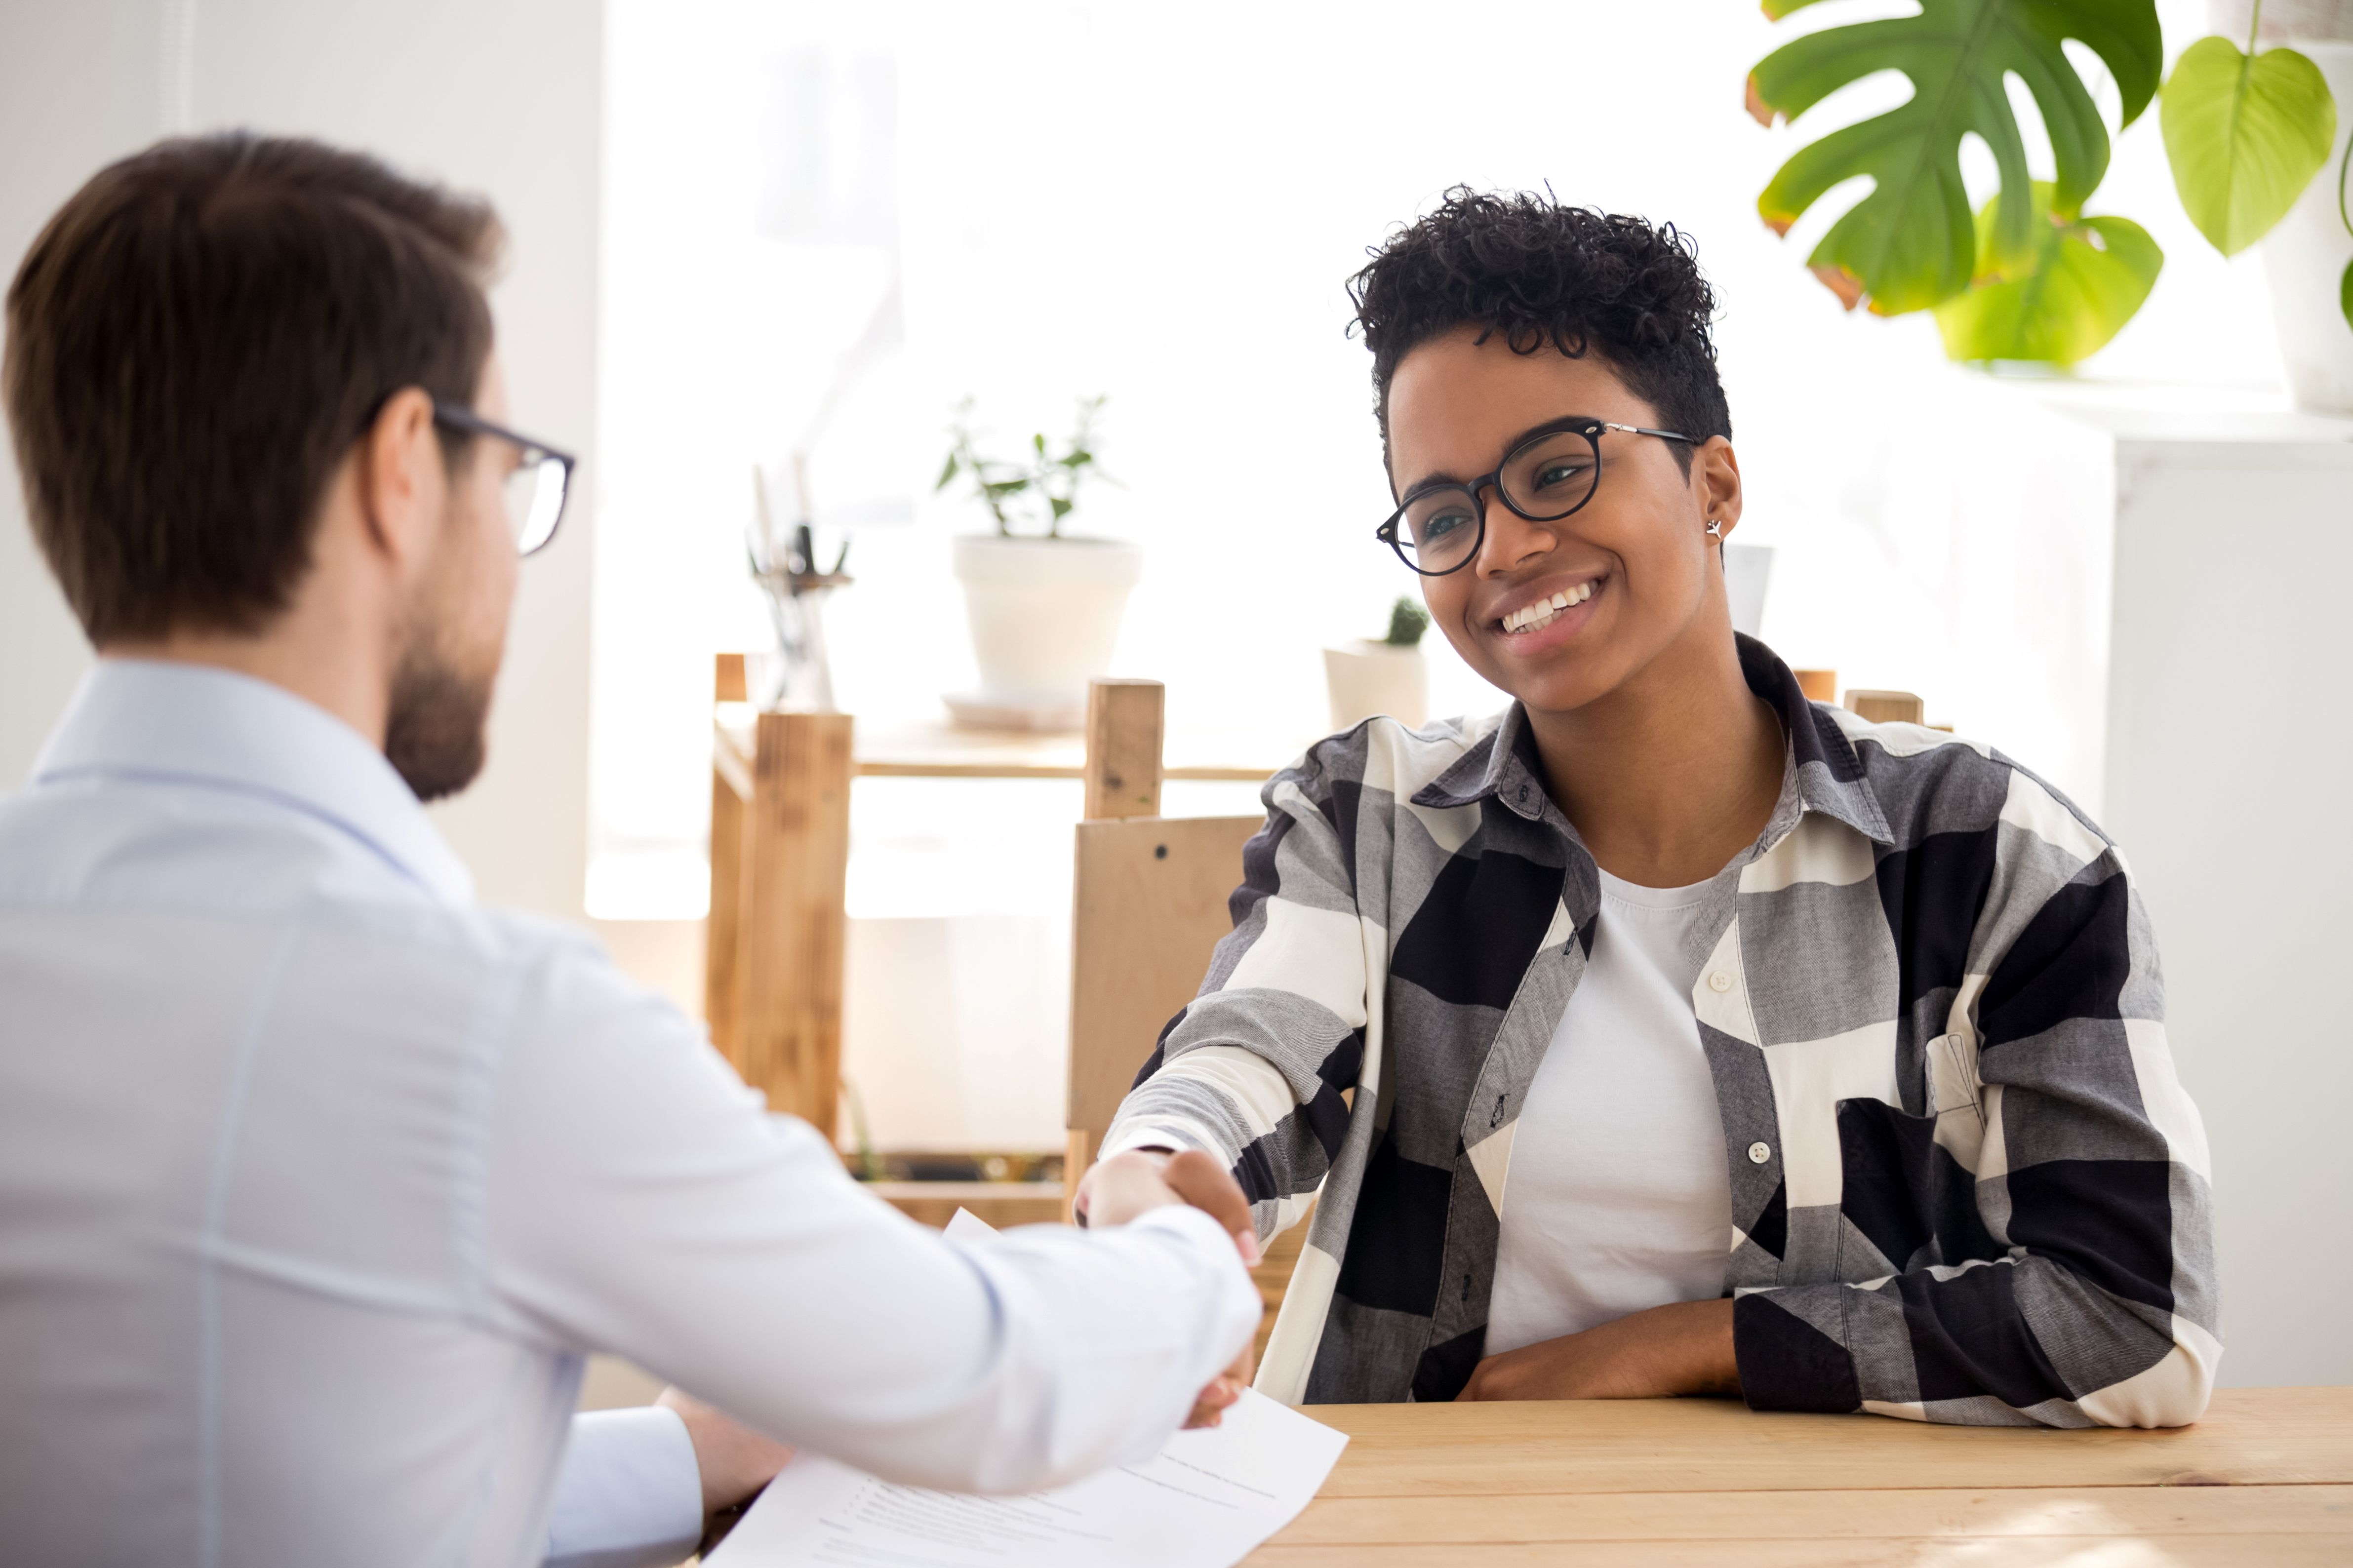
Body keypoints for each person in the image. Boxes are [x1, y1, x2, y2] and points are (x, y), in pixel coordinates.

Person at [0, 132, 1261, 1568]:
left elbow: (291, 1482)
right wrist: (1175, 1248)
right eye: (508, 468)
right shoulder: (476, 1028)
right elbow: (986, 1377)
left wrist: (677, 1458)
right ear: (403, 467)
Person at [1082, 190, 2219, 1427]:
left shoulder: (2000, 859)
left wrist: (1692, 1345)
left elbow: (2136, 1323)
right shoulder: (1370, 819)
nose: (1501, 549)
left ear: (1714, 485)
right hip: (1427, 1528)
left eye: (1557, 471)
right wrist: (1147, 1173)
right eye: (1444, 515)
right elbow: (1248, 1051)